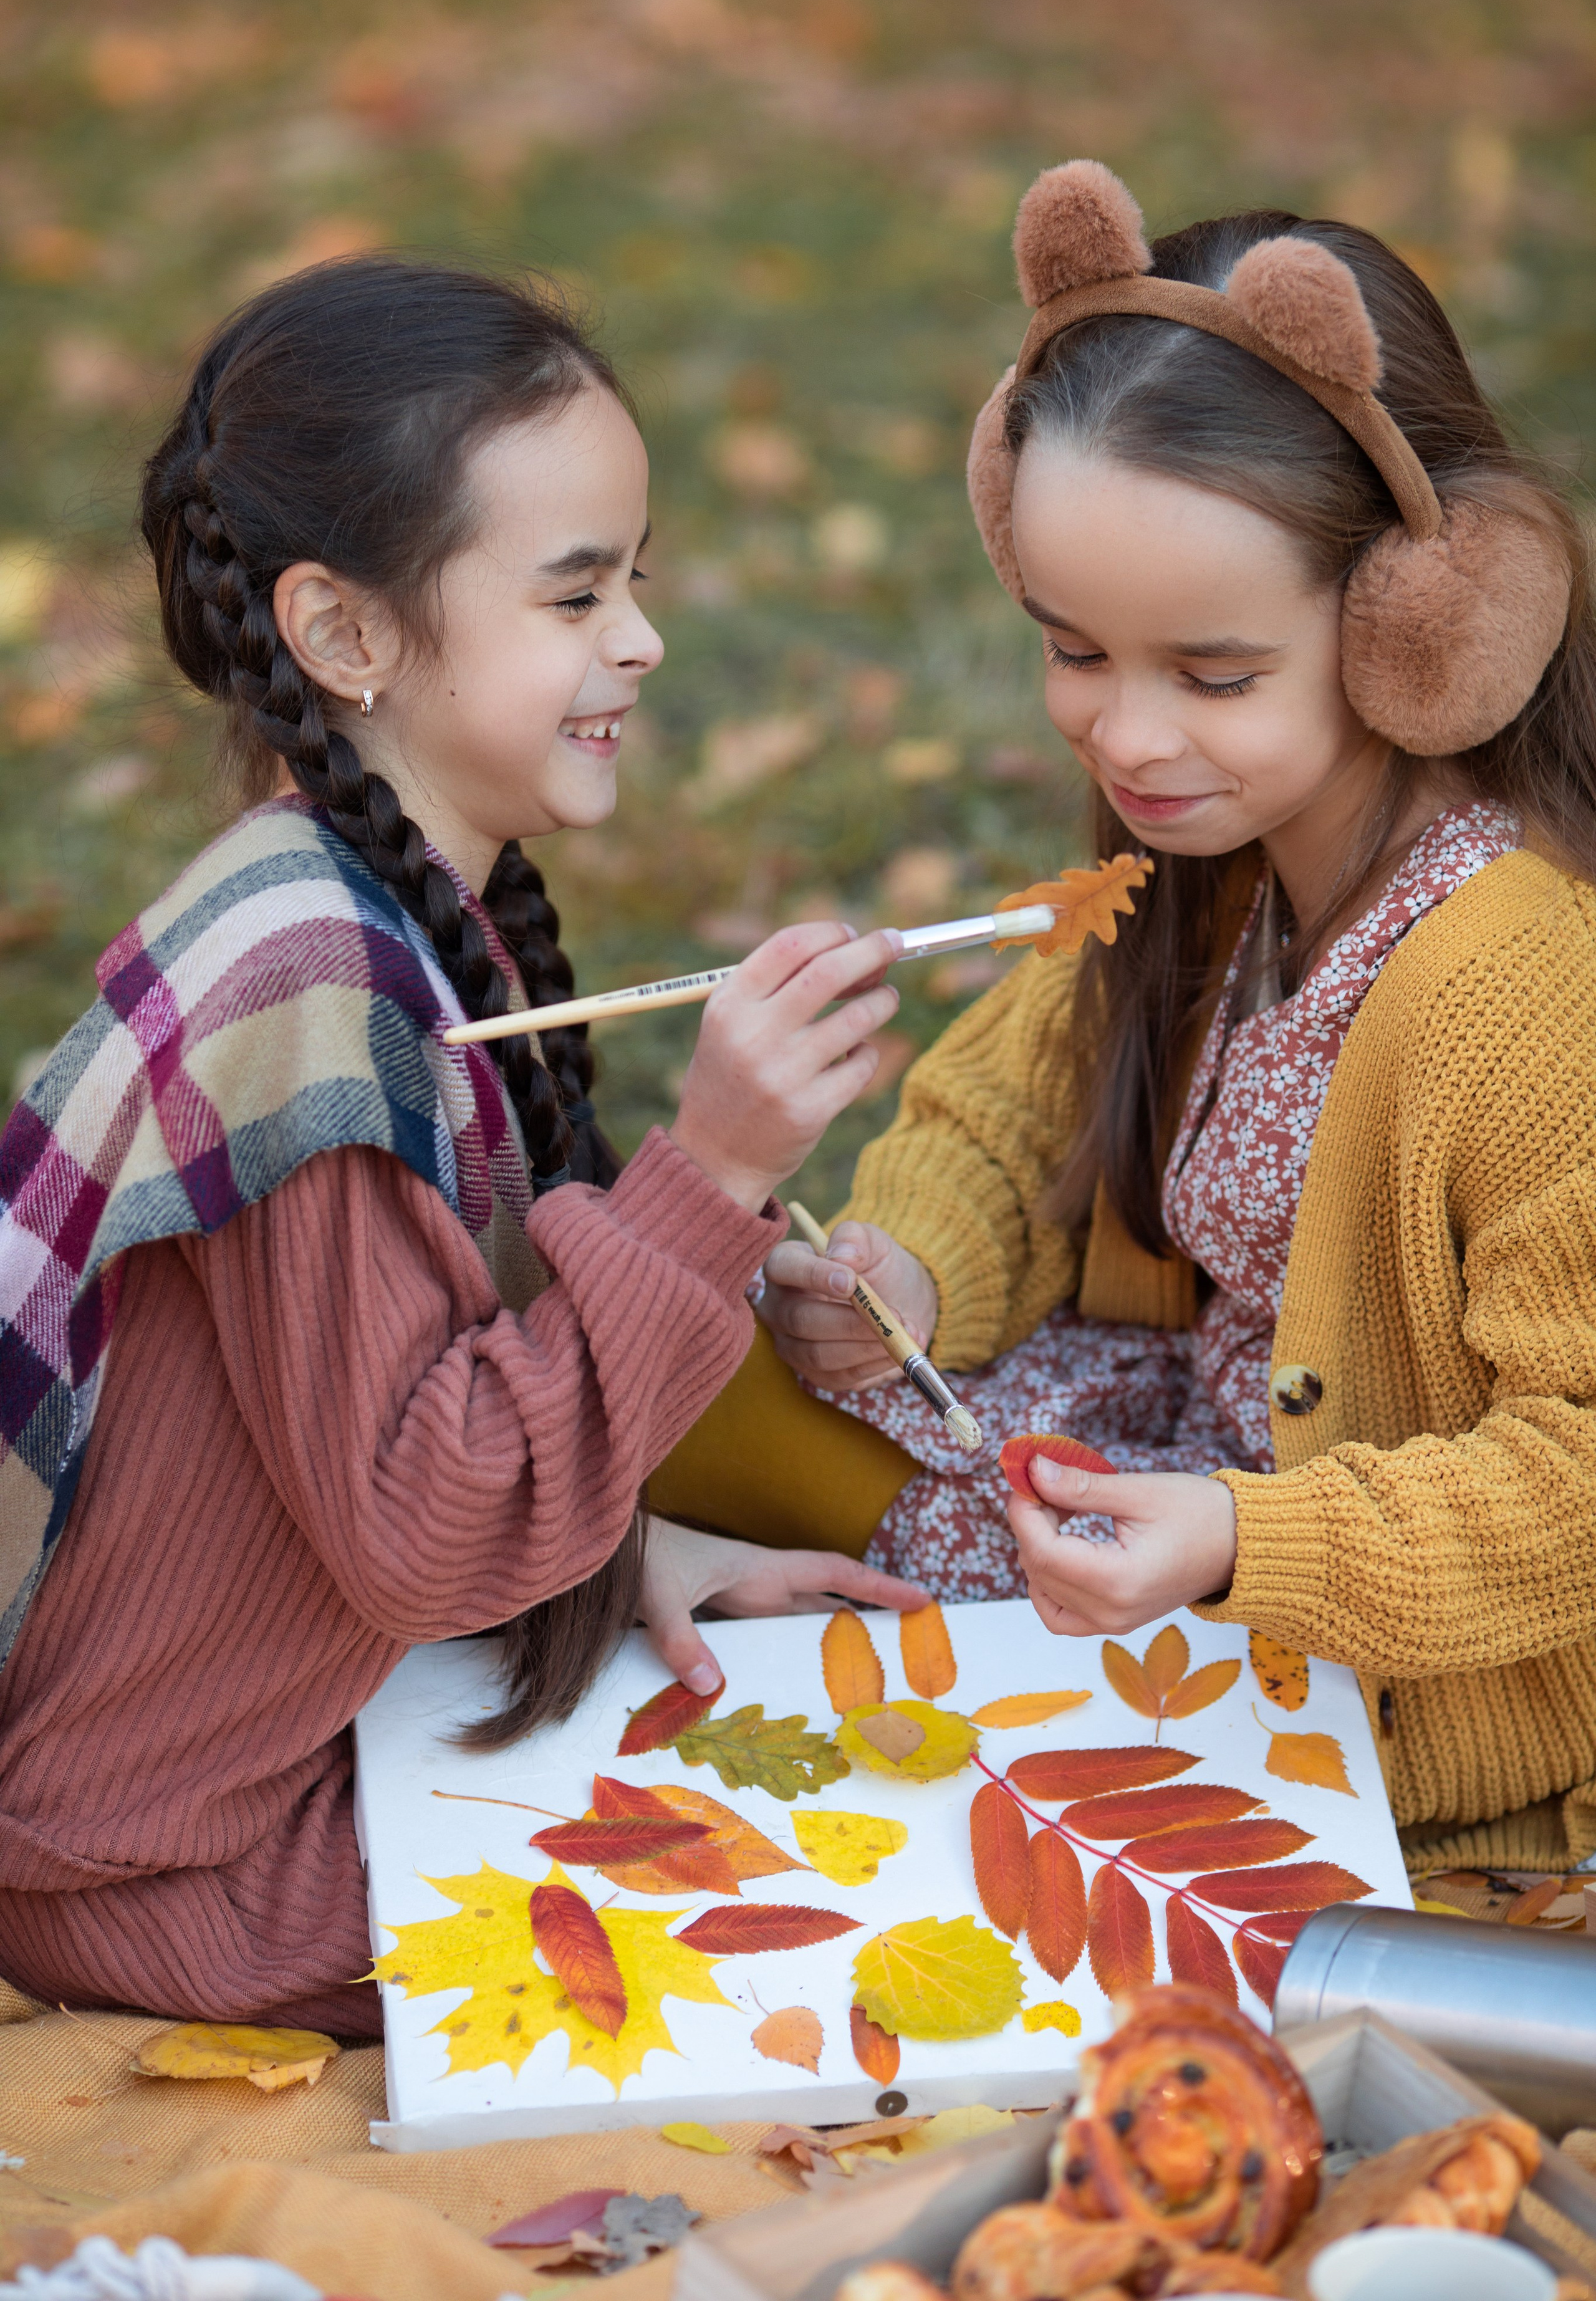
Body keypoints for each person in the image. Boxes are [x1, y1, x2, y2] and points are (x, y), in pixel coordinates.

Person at [0, 258, 926, 2032]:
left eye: (633, 581)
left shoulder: (397, 916)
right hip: (168, 1863)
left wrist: (642, 1567)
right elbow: (428, 1531)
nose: (641, 640)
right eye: (575, 593)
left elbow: (373, 1423)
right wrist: (710, 1175)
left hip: (278, 1739)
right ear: (347, 637)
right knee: (819, 1898)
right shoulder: (312, 1007)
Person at [748, 160, 1596, 1878]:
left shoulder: (1522, 987)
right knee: (666, 1349)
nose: (1129, 738)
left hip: (1367, 1617)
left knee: (713, 1526)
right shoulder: (1205, 864)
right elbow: (1006, 1118)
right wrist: (905, 1270)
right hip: (1172, 1480)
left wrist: (1238, 1541)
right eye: (1076, 652)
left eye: (1212, 676)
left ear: (1416, 631)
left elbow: (1578, 1470)